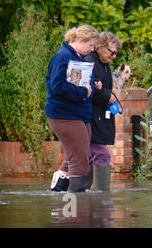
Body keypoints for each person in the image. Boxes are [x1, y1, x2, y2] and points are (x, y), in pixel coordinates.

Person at [46, 25, 100, 193]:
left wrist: (90, 89)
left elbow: (85, 85)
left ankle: (58, 191)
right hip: (64, 114)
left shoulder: (79, 58)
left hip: (80, 114)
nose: (92, 50)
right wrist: (84, 91)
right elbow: (58, 87)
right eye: (91, 45)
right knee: (80, 160)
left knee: (79, 155)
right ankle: (75, 202)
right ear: (81, 40)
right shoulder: (63, 57)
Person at [84, 31, 122, 191]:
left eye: (116, 53)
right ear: (99, 47)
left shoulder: (104, 63)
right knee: (101, 155)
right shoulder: (89, 62)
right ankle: (101, 197)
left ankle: (80, 193)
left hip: (100, 118)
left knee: (88, 158)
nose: (114, 56)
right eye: (112, 52)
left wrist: (108, 93)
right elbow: (86, 89)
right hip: (90, 118)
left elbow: (102, 87)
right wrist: (107, 95)